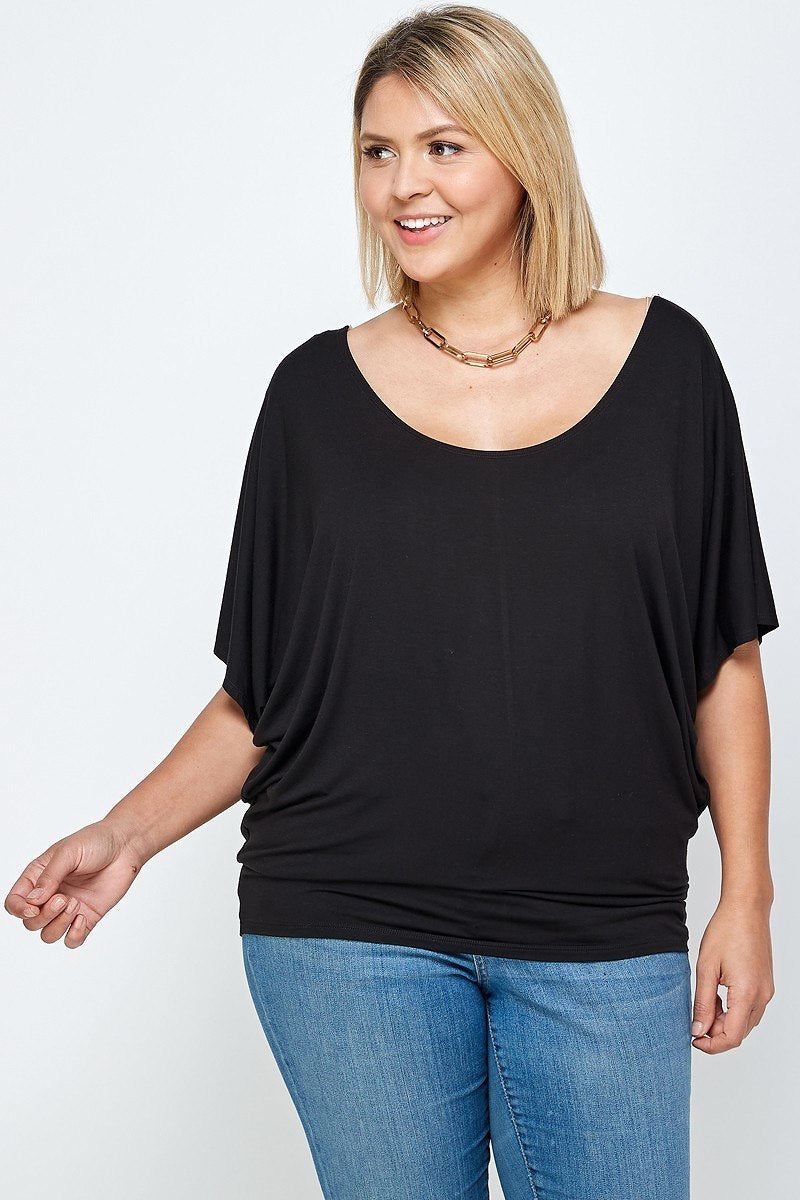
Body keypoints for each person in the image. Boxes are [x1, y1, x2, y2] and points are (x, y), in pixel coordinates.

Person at [6, 6, 780, 1199]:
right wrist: (126, 835)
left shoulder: (666, 365)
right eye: (377, 151)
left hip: (600, 923)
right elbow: (264, 700)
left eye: (441, 147)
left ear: (522, 152)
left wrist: (746, 893)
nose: (401, 185)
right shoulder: (313, 397)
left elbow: (720, 659)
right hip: (344, 928)